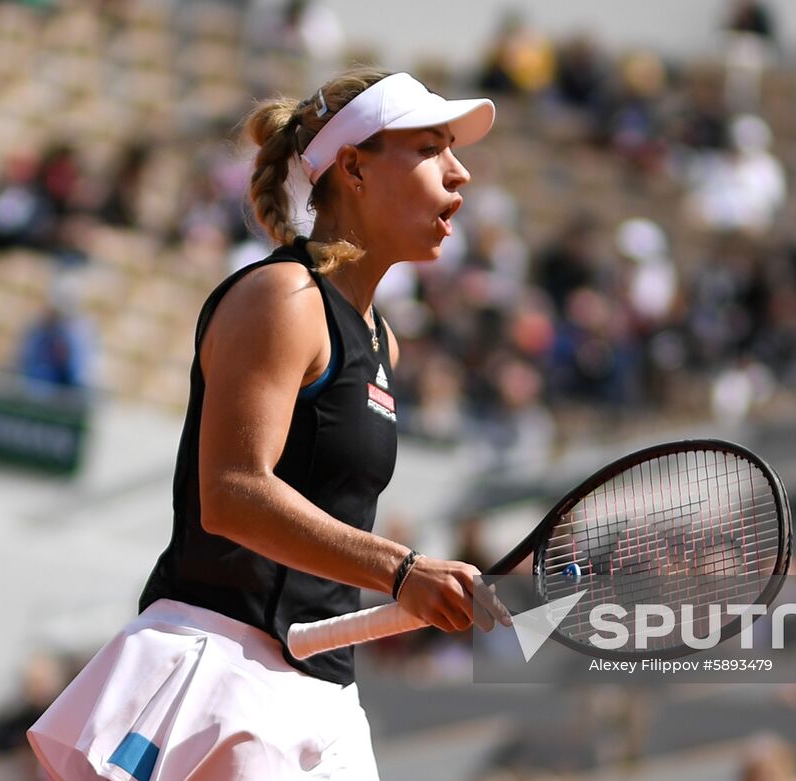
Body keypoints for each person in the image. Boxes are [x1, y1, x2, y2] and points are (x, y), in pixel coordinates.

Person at [29, 68, 510, 780]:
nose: (460, 172)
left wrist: (416, 578)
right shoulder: (282, 297)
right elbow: (231, 492)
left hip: (320, 698)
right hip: (220, 675)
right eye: (431, 147)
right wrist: (399, 569)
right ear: (353, 167)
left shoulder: (383, 340)